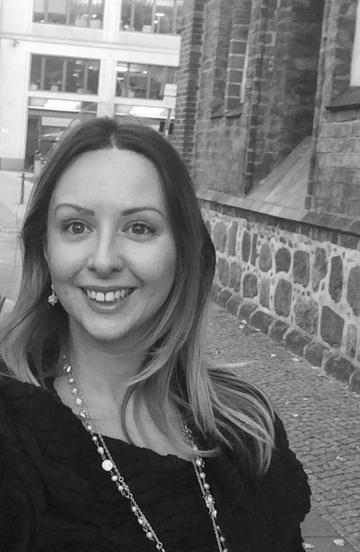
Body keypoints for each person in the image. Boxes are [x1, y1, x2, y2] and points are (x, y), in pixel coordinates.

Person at [0, 117, 310, 552]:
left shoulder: (245, 425)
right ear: (44, 249)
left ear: (183, 252)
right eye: (76, 226)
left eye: (139, 227)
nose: (104, 259)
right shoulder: (13, 435)